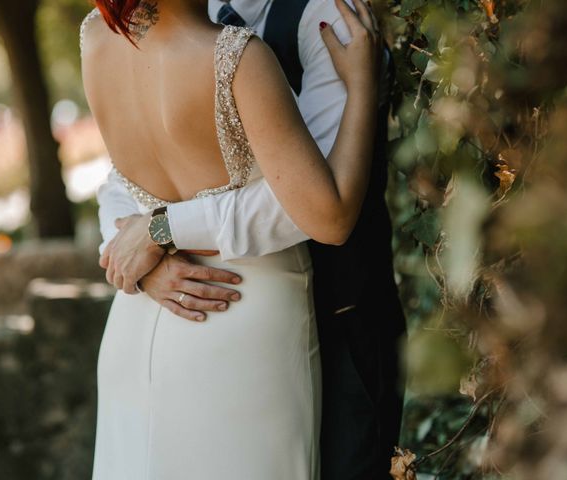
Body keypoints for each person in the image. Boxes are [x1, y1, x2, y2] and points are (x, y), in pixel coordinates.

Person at [93, 0, 406, 478]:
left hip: (334, 318)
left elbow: (304, 205)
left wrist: (160, 232)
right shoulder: (230, 51)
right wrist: (137, 255)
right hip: (218, 311)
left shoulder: (100, 34)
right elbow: (120, 181)